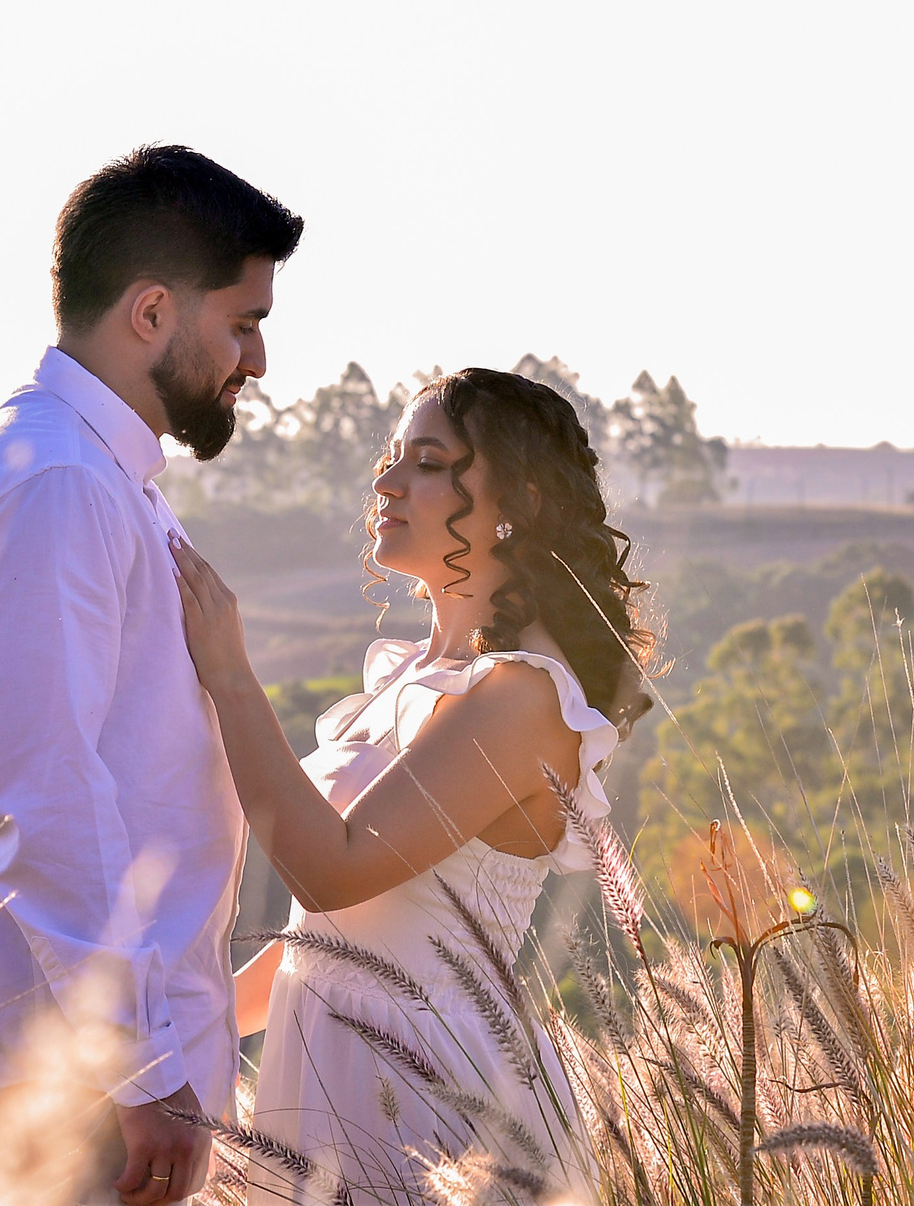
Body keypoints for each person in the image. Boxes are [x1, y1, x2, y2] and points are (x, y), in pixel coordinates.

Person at [0, 144, 305, 1206]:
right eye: (243, 322)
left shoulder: (94, 475)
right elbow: (47, 792)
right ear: (151, 311)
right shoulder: (55, 483)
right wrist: (139, 1066)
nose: (256, 359)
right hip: (69, 1099)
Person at [171, 368, 654, 1204]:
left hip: (431, 1102)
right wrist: (172, 1042)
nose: (388, 482)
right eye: (392, 458)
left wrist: (231, 675)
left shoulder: (525, 695)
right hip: (324, 1072)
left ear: (520, 501)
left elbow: (331, 869)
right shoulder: (417, 677)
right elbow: (328, 931)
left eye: (428, 463)